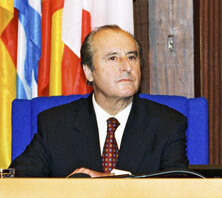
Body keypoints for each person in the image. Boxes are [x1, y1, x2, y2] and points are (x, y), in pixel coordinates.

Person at [10, 25, 188, 177]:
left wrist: (106, 182)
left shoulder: (168, 124)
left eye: (132, 57)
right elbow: (17, 181)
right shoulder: (56, 124)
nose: (127, 67)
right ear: (88, 72)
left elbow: (177, 190)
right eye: (112, 58)